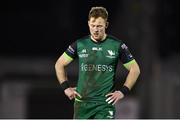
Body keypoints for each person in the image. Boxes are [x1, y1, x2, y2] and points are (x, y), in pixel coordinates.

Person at [55, 6, 140, 119]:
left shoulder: (117, 45)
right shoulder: (80, 44)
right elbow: (59, 64)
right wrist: (66, 87)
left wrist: (123, 91)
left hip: (104, 104)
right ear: (88, 24)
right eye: (93, 26)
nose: (95, 29)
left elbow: (135, 69)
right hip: (82, 104)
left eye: (99, 26)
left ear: (106, 25)